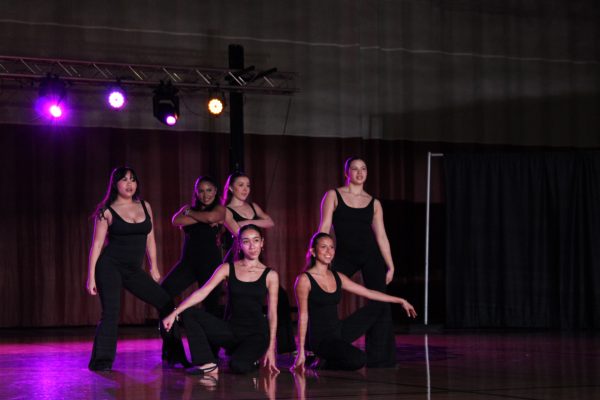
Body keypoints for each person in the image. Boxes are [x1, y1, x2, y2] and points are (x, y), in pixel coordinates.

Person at [86, 166, 173, 371]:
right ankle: (101, 362)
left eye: (133, 179)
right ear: (115, 184)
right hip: (110, 267)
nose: (129, 184)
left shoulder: (145, 206)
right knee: (111, 313)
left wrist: (154, 266)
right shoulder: (106, 211)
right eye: (124, 180)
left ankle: (173, 354)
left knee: (166, 302)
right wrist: (91, 277)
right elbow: (97, 245)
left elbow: (150, 238)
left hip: (133, 270)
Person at [162, 224, 280, 375]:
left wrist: (271, 348)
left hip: (256, 335)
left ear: (262, 243)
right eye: (246, 241)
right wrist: (174, 313)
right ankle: (207, 363)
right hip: (231, 331)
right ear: (239, 245)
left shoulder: (271, 275)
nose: (252, 246)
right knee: (189, 314)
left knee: (238, 366)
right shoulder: (227, 268)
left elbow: (272, 313)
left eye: (256, 240)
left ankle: (250, 359)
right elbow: (202, 292)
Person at [292, 233, 417, 371]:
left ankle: (378, 355)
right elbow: (303, 316)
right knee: (359, 359)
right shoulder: (304, 280)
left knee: (378, 306)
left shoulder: (337, 276)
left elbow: (369, 293)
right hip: (322, 340)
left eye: (331, 247)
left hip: (339, 331)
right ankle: (322, 362)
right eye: (323, 247)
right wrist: (301, 352)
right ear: (313, 252)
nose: (329, 251)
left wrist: (400, 300)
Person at [318, 156, 399, 367]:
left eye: (363, 169)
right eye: (355, 169)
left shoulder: (374, 203)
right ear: (347, 173)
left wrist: (390, 264)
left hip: (370, 255)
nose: (360, 173)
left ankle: (381, 358)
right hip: (343, 255)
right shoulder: (333, 195)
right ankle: (327, 346)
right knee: (326, 294)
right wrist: (320, 257)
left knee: (381, 301)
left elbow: (381, 236)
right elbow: (324, 226)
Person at [221, 172, 295, 354]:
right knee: (235, 301)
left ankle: (285, 346)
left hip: (253, 257)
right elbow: (241, 232)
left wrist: (249, 220)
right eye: (240, 185)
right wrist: (254, 223)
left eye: (247, 185)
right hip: (236, 257)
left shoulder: (253, 206)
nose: (245, 189)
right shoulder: (226, 210)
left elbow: (269, 222)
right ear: (231, 188)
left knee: (281, 297)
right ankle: (228, 343)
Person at [159, 176, 226, 366]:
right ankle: (172, 348)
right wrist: (197, 216)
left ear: (216, 192)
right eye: (201, 190)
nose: (205, 195)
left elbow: (212, 217)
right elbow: (175, 220)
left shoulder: (220, 209)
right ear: (196, 192)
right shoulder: (188, 208)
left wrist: (192, 215)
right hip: (187, 263)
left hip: (211, 265)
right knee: (163, 293)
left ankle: (212, 352)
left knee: (211, 307)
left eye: (209, 190)